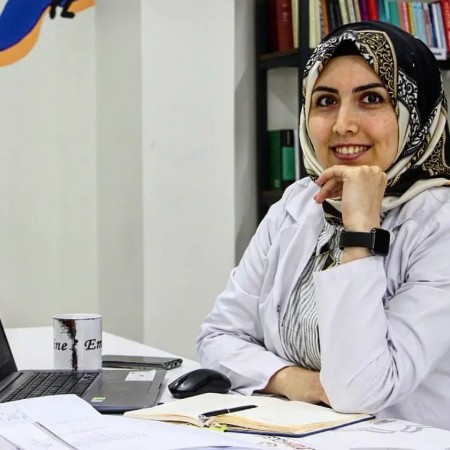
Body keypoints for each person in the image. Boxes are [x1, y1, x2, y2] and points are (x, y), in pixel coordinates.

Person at [196, 21, 450, 430]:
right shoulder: (300, 202)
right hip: (295, 431)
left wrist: (359, 231)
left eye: (371, 98)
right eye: (326, 101)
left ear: (415, 113)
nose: (342, 124)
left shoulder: (440, 224)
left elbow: (359, 392)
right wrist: (300, 383)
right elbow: (217, 338)